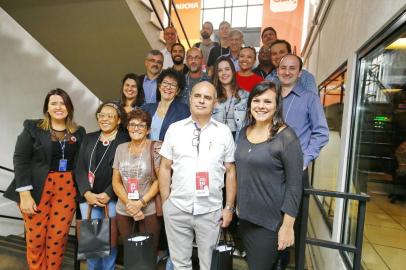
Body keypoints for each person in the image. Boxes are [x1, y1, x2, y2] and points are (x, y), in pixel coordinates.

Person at [4, 88, 86, 269]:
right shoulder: (33, 128)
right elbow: (20, 158)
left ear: (69, 107)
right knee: (37, 237)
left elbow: (82, 163)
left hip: (67, 190)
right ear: (47, 108)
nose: (59, 107)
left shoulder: (78, 132)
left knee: (58, 237)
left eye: (63, 103)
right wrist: (24, 193)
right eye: (54, 103)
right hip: (36, 188)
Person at [159, 81, 237, 270]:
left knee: (209, 265)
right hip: (177, 208)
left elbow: (231, 171)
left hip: (210, 211)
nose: (202, 101)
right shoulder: (174, 129)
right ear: (190, 98)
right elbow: (164, 167)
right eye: (197, 96)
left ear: (215, 103)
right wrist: (166, 202)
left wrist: (228, 207)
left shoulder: (224, 132)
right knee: (180, 264)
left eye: (207, 97)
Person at [235, 81, 303, 270]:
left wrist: (288, 226)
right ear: (250, 104)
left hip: (269, 223)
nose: (261, 106)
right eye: (256, 100)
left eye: (267, 101)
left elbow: (295, 186)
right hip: (245, 218)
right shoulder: (243, 132)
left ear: (277, 106)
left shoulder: (287, 137)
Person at [278, 54, 329, 269]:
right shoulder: (270, 96)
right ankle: (275, 262)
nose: (287, 72)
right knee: (273, 220)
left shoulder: (310, 98)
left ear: (300, 73)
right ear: (278, 70)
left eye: (292, 68)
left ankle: (293, 263)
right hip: (271, 168)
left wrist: (305, 159)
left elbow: (321, 133)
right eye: (283, 68)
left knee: (293, 224)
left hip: (296, 170)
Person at [75, 102, 129, 270]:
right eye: (101, 115)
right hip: (88, 198)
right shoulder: (89, 137)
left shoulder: (124, 140)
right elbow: (79, 167)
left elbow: (125, 171)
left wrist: (108, 193)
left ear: (118, 120)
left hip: (110, 198)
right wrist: (86, 192)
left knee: (109, 241)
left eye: (110, 116)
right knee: (92, 242)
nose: (105, 119)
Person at [112, 109, 162, 255]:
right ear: (127, 127)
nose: (136, 128)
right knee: (131, 253)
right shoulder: (120, 149)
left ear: (148, 130)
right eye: (132, 124)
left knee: (147, 253)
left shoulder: (156, 147)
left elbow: (160, 180)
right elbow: (116, 181)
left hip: (148, 210)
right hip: (124, 209)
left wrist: (140, 203)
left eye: (141, 125)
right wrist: (130, 204)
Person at [142, 68, 190, 141]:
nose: (168, 87)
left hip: (169, 151)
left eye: (173, 85)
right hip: (147, 150)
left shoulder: (183, 110)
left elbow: (184, 137)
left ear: (178, 91)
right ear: (159, 86)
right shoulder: (147, 108)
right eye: (165, 82)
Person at [212, 56, 248, 139]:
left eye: (227, 69)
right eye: (220, 70)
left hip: (238, 140)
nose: (224, 73)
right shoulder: (211, 95)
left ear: (233, 71)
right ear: (216, 74)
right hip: (216, 139)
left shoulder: (245, 95)